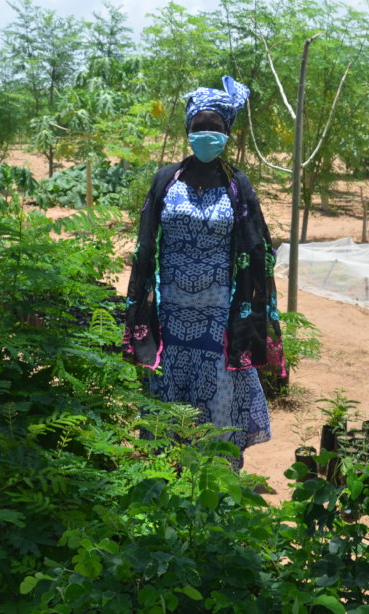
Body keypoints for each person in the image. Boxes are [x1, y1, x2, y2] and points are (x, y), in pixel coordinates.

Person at [124, 76, 284, 469]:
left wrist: (252, 313)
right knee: (166, 400)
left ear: (226, 134)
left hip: (218, 319)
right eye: (199, 128)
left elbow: (257, 247)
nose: (206, 135)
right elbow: (145, 244)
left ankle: (215, 481)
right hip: (170, 316)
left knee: (218, 401)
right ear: (188, 131)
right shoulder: (167, 180)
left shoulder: (236, 186)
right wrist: (140, 310)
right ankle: (164, 477)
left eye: (214, 129)